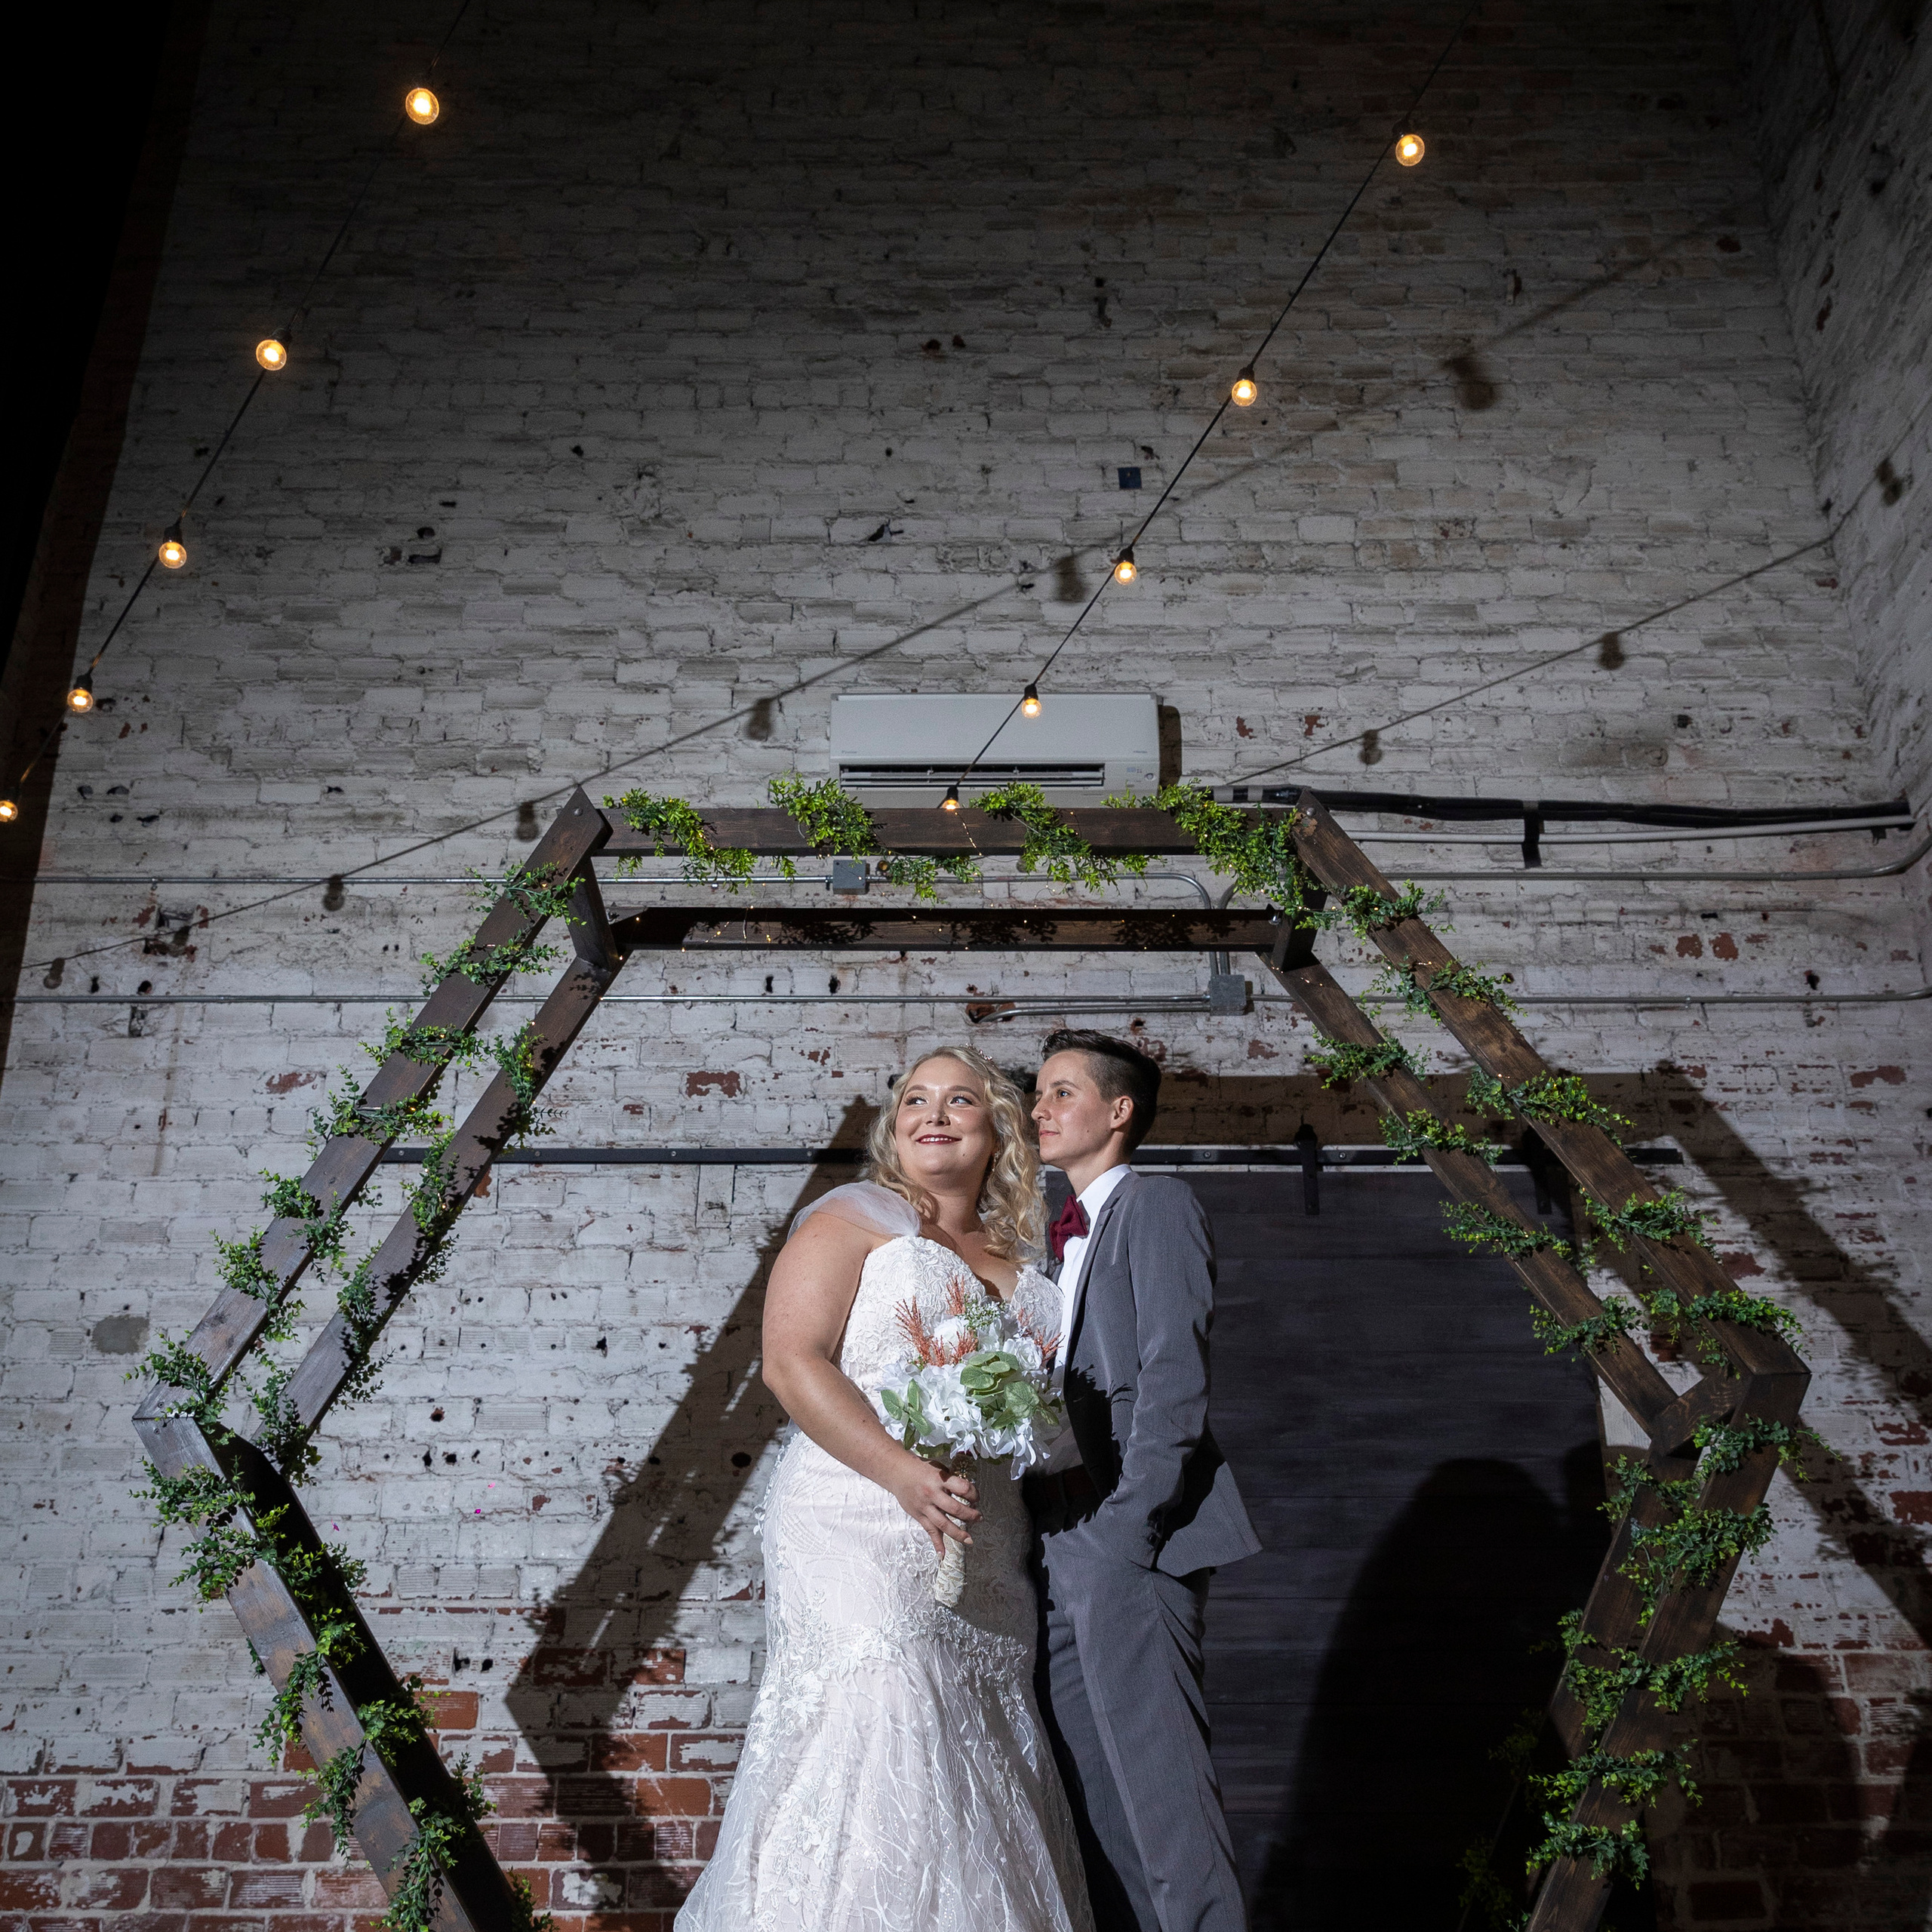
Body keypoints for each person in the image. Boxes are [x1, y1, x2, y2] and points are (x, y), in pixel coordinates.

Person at [677, 1044, 1094, 1932]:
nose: (931, 1114)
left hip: (982, 1540)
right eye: (914, 1100)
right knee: (888, 1705)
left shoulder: (1025, 1258)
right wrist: (900, 1471)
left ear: (999, 1131)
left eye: (958, 1100)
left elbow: (1044, 1425)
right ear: (894, 1127)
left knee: (974, 1749)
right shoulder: (853, 1216)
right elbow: (791, 1363)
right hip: (854, 1516)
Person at [1027, 1029, 1260, 1932]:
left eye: (1060, 1093)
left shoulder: (1155, 1206)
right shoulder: (1065, 1240)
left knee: (1165, 1810)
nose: (1039, 1110)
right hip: (1057, 1540)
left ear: (1118, 1111)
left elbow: (1173, 1379)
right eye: (1038, 1095)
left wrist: (1128, 1526)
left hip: (1127, 1533)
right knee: (1097, 1803)